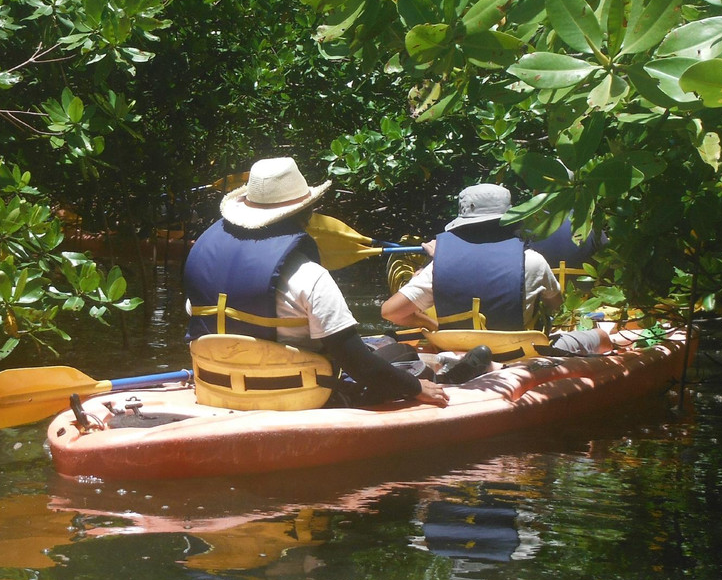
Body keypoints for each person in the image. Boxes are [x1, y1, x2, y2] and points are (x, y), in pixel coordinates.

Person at [183, 157, 467, 409]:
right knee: (403, 353)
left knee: (385, 343)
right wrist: (415, 388)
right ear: (307, 214)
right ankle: (453, 373)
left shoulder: (201, 269)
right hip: (301, 395)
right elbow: (356, 362)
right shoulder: (309, 276)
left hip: (217, 386)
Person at [380, 184, 612, 356]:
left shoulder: (437, 267)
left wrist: (433, 325)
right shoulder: (532, 261)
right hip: (521, 355)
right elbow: (556, 306)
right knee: (601, 337)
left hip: (455, 350)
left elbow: (391, 312)